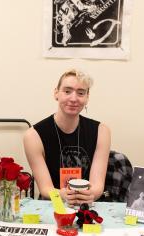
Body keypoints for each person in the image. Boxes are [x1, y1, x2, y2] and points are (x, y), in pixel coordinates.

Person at [23, 69, 110, 206]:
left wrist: (89, 195)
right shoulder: (33, 135)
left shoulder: (102, 131)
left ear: (87, 97)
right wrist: (62, 195)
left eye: (81, 93)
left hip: (87, 205)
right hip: (53, 204)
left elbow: (97, 186)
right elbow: (45, 189)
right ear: (56, 93)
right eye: (67, 91)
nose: (74, 98)